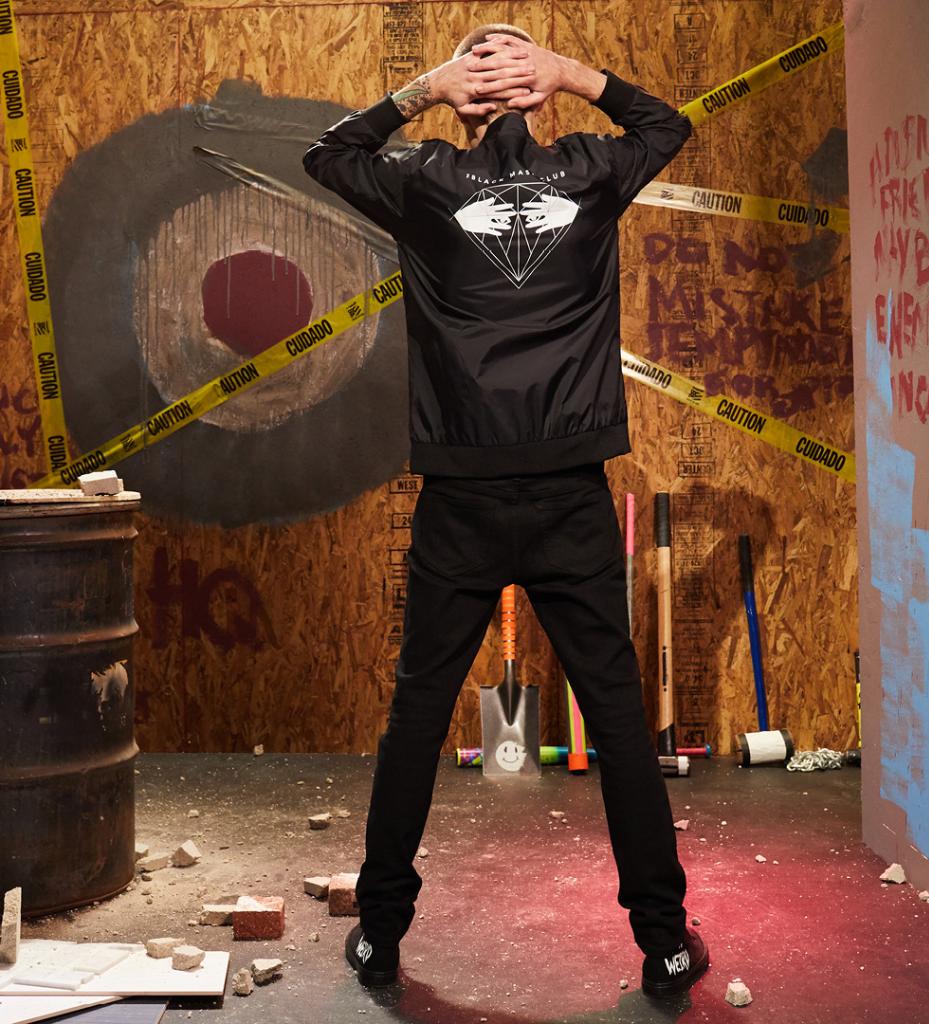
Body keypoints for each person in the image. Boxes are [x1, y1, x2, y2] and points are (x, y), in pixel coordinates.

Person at [302, 23, 708, 1000]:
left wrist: (425, 89)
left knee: (418, 715)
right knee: (617, 717)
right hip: (570, 495)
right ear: (532, 94)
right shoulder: (592, 171)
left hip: (461, 500)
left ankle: (380, 937)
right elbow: (666, 124)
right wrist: (569, 75)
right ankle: (664, 944)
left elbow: (328, 154)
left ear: (470, 101)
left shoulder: (422, 181)